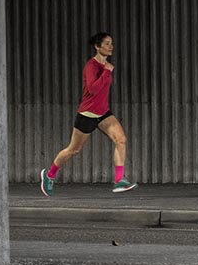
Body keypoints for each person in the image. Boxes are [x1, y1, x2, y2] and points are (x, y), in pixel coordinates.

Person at [41, 32, 137, 195]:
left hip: (103, 112)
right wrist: (107, 72)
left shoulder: (106, 65)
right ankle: (49, 175)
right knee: (73, 149)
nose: (110, 46)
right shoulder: (91, 66)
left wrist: (107, 70)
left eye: (111, 43)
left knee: (121, 139)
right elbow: (93, 90)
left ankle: (119, 181)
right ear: (97, 46)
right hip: (87, 114)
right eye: (106, 44)